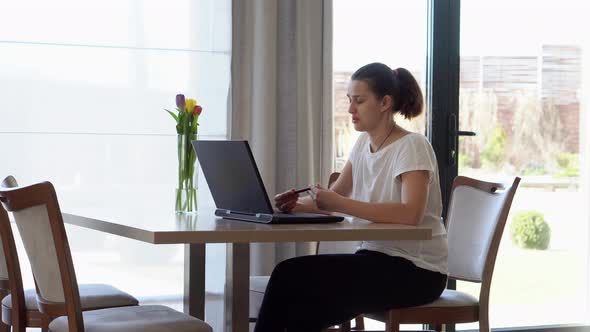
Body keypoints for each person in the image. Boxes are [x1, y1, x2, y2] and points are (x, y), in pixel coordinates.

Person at [254, 62, 448, 332]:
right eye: (349, 100)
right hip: (374, 259)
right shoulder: (362, 145)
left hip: (418, 271)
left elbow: (410, 213)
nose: (350, 109)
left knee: (289, 275)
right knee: (299, 305)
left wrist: (339, 203)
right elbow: (333, 200)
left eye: (359, 101)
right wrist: (297, 206)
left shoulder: (412, 146)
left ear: (385, 103)